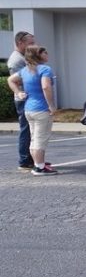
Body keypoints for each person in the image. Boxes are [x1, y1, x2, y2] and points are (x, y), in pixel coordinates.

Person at [7, 44, 58, 175]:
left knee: (35, 138)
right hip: (41, 109)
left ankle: (38, 164)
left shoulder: (25, 70)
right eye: (44, 52)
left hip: (29, 109)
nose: (47, 54)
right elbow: (46, 87)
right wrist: (51, 105)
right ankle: (40, 167)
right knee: (40, 139)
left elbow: (11, 80)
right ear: (38, 55)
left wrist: (18, 92)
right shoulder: (45, 69)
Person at [8, 30, 35, 170]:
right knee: (26, 129)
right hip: (23, 98)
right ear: (20, 43)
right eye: (30, 43)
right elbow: (18, 81)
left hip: (28, 97)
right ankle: (24, 160)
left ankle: (31, 159)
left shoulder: (22, 57)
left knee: (31, 130)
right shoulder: (16, 60)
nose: (33, 45)